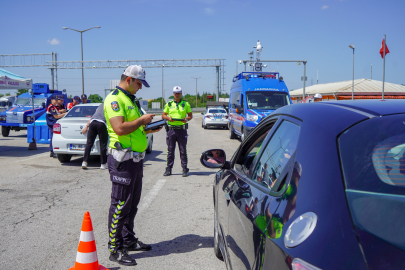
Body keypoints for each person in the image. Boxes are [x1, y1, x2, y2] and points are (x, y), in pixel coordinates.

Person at [104, 65, 162, 266]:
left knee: (132, 204)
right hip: (122, 161)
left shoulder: (131, 99)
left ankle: (128, 240)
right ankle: (115, 248)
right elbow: (119, 128)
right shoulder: (114, 99)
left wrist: (149, 128)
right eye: (139, 83)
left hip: (136, 160)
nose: (141, 87)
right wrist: (142, 120)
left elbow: (135, 128)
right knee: (120, 205)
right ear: (128, 79)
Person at [162, 86, 193, 177]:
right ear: (173, 94)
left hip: (182, 130)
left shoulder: (186, 104)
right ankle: (168, 169)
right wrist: (168, 118)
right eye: (175, 93)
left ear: (181, 94)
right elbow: (163, 115)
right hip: (171, 130)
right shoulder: (169, 104)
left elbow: (190, 115)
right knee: (170, 151)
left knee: (183, 151)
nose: (177, 94)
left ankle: (184, 169)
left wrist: (186, 119)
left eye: (179, 93)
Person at [81, 104, 108, 169]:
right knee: (103, 144)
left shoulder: (100, 105)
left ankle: (84, 162)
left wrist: (86, 126)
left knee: (89, 143)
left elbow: (92, 117)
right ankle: (103, 164)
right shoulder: (110, 105)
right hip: (101, 123)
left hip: (92, 123)